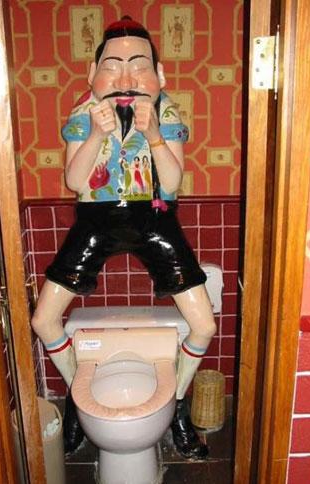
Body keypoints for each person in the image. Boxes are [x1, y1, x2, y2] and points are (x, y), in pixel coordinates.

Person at [31, 16, 216, 460]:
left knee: (205, 325)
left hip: (155, 219)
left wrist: (153, 136)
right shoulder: (83, 114)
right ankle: (78, 402)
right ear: (92, 74)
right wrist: (97, 134)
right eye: (112, 67)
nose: (126, 79)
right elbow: (76, 181)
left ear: (160, 75)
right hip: (96, 219)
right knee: (43, 319)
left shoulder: (166, 113)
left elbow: (172, 180)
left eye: (140, 66)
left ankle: (175, 406)